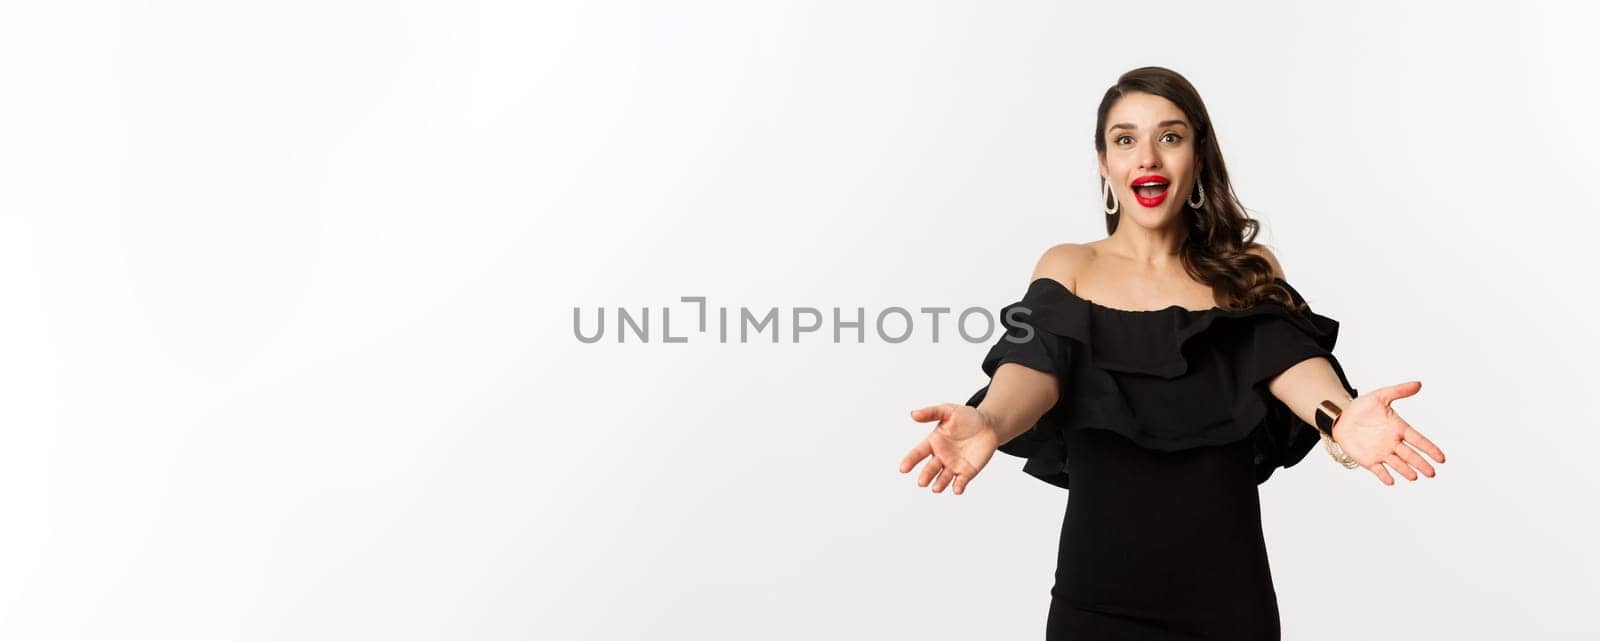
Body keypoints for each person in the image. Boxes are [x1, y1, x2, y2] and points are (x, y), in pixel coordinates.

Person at [896, 67, 1447, 640]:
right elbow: (1034, 368)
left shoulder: (1246, 270)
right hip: (1096, 608)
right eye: (1125, 139)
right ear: (1104, 163)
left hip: (1230, 609)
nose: (1148, 158)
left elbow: (1289, 363)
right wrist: (989, 418)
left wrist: (1340, 414)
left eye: (1171, 136)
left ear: (1199, 156)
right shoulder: (1070, 266)